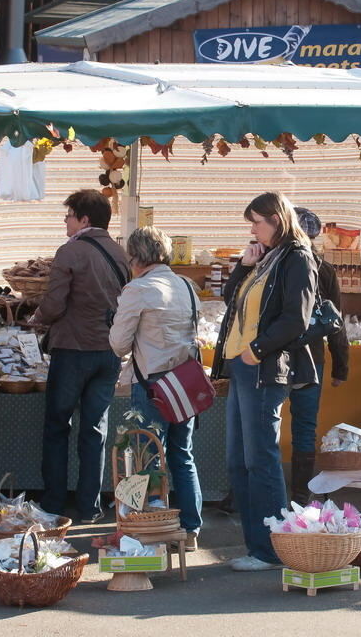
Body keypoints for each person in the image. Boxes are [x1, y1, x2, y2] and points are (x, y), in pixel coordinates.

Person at [212, 191, 318, 572]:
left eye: (256, 221)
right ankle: (256, 545)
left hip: (262, 367)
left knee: (261, 459)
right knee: (240, 461)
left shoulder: (297, 258)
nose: (252, 230)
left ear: (276, 219)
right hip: (244, 366)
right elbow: (232, 300)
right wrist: (243, 267)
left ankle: (271, 550)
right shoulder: (266, 259)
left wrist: (256, 349)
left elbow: (297, 319)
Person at [34, 189, 129, 523]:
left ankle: (54, 504)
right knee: (94, 429)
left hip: (74, 349)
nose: (65, 220)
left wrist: (37, 318)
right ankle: (89, 506)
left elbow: (54, 303)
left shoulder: (70, 251)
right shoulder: (120, 252)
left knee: (58, 426)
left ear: (84, 219)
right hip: (109, 352)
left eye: (68, 215)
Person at [109, 226, 203, 550]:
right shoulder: (187, 286)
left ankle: (148, 529)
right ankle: (190, 530)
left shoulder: (139, 289)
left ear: (134, 258)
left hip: (151, 384)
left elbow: (118, 343)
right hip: (184, 384)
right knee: (182, 454)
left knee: (145, 456)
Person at [286, 207, 348, 505]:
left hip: (278, 356)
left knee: (263, 422)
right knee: (305, 427)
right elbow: (336, 321)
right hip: (311, 357)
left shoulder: (276, 263)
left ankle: (249, 492)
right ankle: (299, 493)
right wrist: (341, 366)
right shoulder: (324, 268)